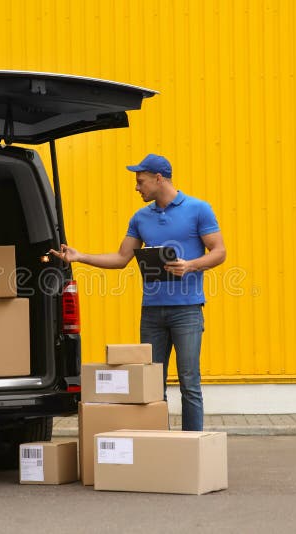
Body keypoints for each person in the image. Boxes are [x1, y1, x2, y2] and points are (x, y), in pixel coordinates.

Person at [49, 154, 226, 431]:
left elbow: (219, 252)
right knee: (153, 386)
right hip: (152, 311)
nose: (136, 187)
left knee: (189, 383)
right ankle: (158, 445)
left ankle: (192, 448)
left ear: (158, 178)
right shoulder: (140, 217)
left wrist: (190, 265)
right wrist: (80, 256)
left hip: (187, 310)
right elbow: (121, 259)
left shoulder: (198, 209)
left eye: (140, 181)